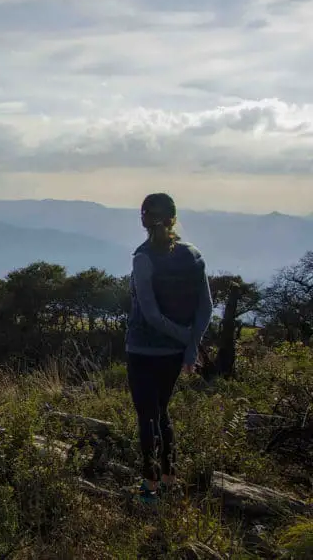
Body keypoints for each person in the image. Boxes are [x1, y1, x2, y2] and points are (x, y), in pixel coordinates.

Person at [125, 192, 213, 504]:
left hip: (143, 351)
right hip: (174, 356)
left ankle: (150, 489)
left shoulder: (143, 258)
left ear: (144, 219)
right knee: (162, 412)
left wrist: (181, 335)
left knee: (147, 417)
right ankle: (169, 478)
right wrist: (190, 346)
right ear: (174, 217)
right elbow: (207, 307)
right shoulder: (193, 255)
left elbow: (149, 315)